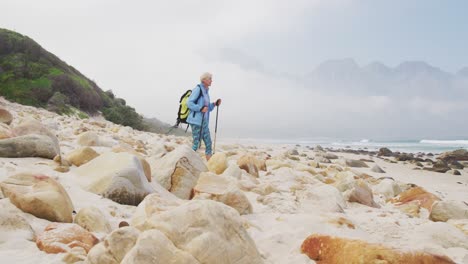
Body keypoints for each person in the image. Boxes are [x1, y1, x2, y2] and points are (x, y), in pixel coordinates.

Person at [187, 72, 221, 160]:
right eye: (209, 78)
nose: (211, 81)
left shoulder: (206, 92)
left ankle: (210, 164)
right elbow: (189, 103)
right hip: (196, 121)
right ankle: (188, 161)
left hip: (204, 121)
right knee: (196, 144)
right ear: (204, 80)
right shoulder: (198, 89)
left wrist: (214, 104)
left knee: (208, 143)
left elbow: (207, 108)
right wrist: (200, 108)